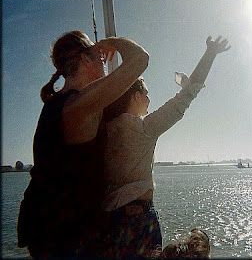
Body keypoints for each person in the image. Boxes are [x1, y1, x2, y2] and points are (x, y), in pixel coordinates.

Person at [17, 30, 149, 258]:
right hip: (65, 238)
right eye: (96, 52)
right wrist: (112, 42)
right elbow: (140, 59)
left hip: (55, 231)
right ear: (85, 59)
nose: (102, 56)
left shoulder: (63, 105)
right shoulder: (76, 106)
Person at [101, 35, 230, 258]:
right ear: (136, 96)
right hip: (138, 218)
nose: (149, 98)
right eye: (147, 93)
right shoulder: (141, 128)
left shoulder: (106, 129)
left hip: (111, 220)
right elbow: (187, 95)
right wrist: (210, 54)